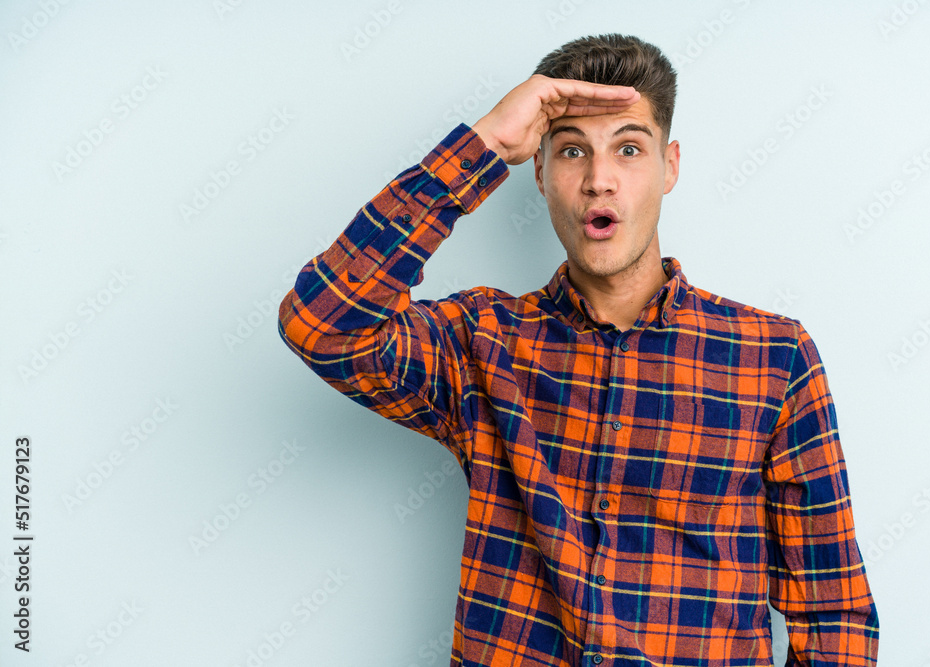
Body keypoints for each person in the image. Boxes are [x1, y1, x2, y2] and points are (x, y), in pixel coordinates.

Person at [278, 33, 878, 666]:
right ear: (538, 172)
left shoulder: (774, 358)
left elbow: (832, 609)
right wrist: (483, 146)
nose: (599, 180)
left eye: (628, 148)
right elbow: (322, 324)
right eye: (571, 151)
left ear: (669, 166)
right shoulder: (480, 341)